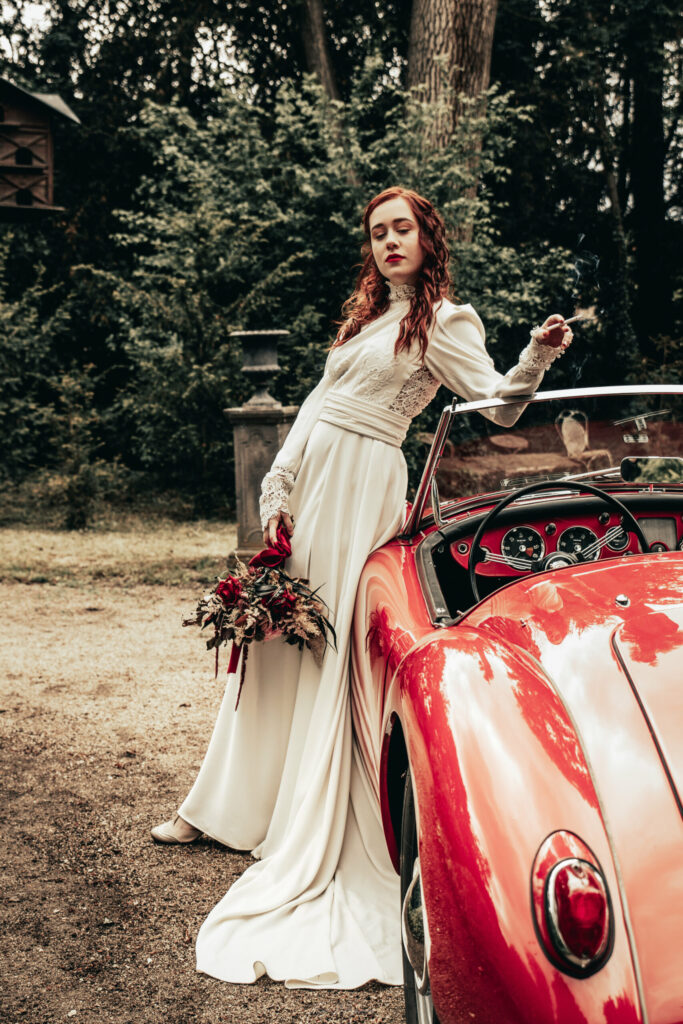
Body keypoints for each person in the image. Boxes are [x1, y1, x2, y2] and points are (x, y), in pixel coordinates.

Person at [151, 186, 573, 988]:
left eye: (400, 229)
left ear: (425, 236)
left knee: (333, 635)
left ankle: (313, 818)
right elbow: (319, 402)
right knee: (277, 636)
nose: (387, 242)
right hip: (313, 483)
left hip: (364, 482)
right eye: (377, 232)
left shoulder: (445, 320)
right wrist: (279, 478)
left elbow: (495, 407)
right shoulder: (364, 318)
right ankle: (226, 807)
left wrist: (537, 354)